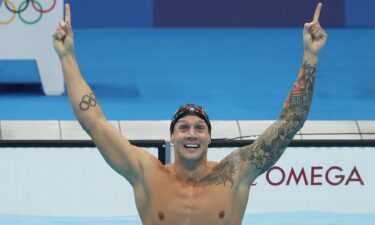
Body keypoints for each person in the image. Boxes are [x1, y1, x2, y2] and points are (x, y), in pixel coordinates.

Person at [52, 2, 327, 225]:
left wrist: (310, 56)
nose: (191, 133)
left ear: (209, 138)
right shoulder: (146, 173)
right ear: (172, 137)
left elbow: (291, 122)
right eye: (183, 127)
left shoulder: (236, 171)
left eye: (199, 127)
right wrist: (67, 58)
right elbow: (94, 123)